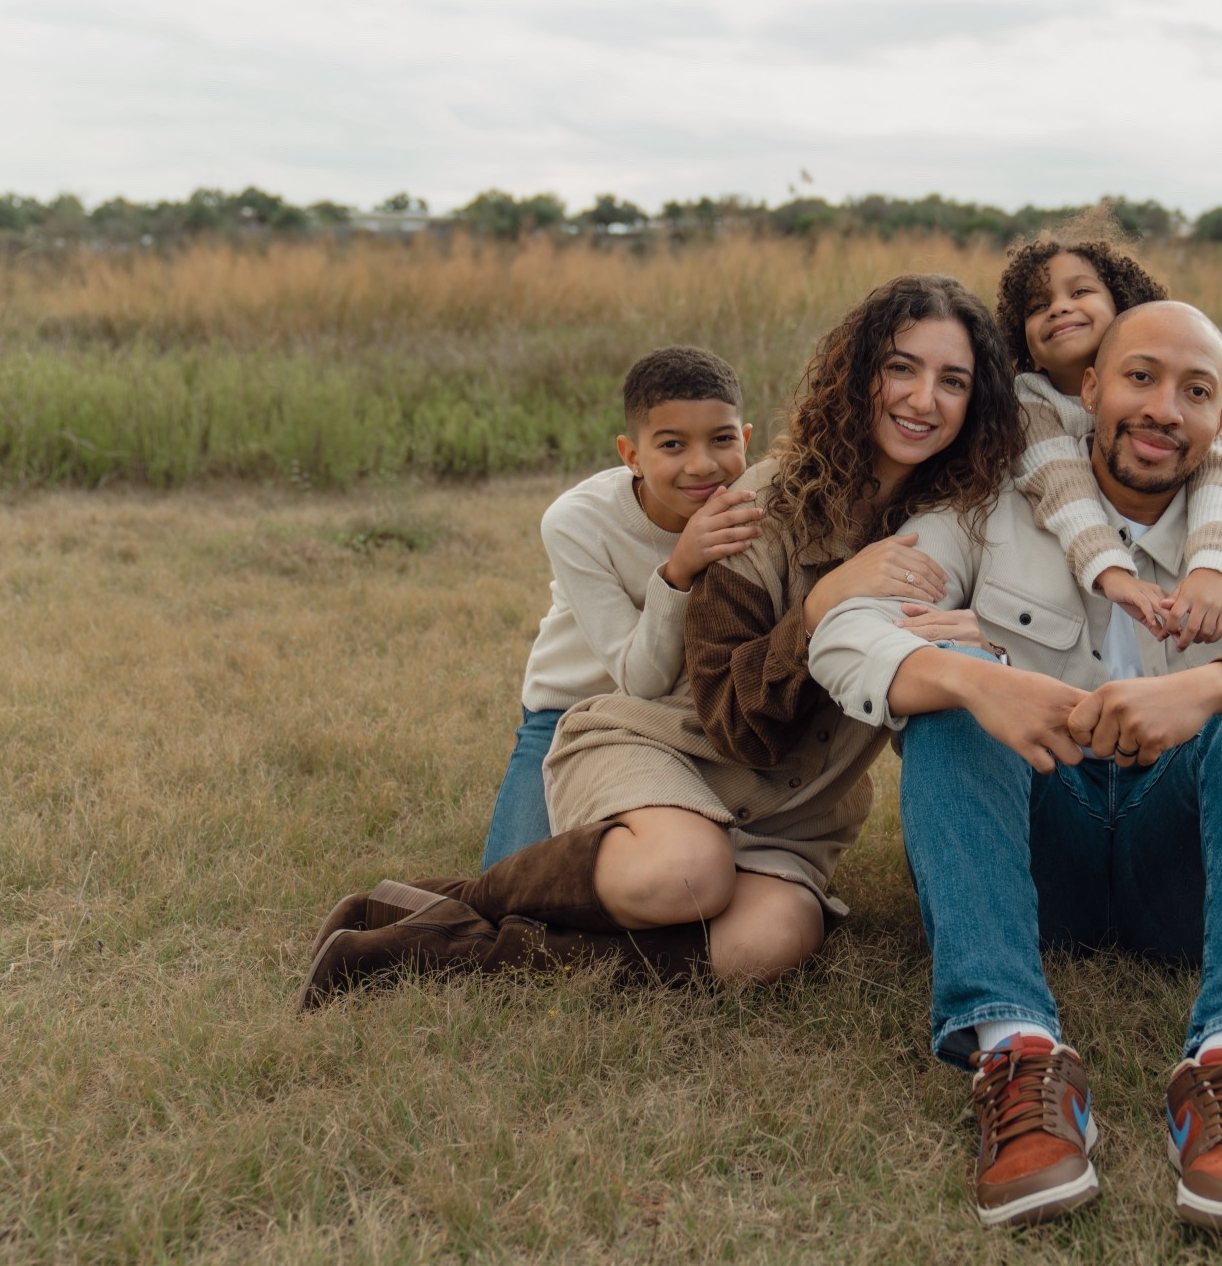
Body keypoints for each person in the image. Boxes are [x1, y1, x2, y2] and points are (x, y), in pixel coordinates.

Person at [808, 301, 1222, 1244]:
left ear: (1220, 418)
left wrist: (1218, 684)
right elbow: (847, 633)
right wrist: (972, 678)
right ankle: (1015, 1054)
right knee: (951, 693)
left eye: (1194, 391)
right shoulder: (987, 512)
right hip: (1034, 858)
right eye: (1140, 378)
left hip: (1191, 876)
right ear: (1089, 389)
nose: (1164, 407)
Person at [298, 273, 1021, 1004]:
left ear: (978, 401)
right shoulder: (758, 504)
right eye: (900, 368)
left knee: (768, 943)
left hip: (796, 806)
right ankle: (448, 911)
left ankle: (436, 936)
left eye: (952, 381)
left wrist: (984, 640)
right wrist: (821, 607)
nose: (922, 399)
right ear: (859, 374)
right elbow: (732, 716)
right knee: (685, 875)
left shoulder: (972, 529)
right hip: (676, 748)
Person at [480, 345, 761, 869]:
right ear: (631, 455)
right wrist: (679, 568)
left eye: (722, 439)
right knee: (516, 879)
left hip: (685, 719)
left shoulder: (753, 509)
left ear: (745, 440)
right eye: (672, 444)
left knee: (682, 873)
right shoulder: (577, 522)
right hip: (571, 712)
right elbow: (640, 679)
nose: (702, 464)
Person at [1000, 218, 1222, 649]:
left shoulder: (1185, 407)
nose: (1058, 308)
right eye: (1038, 305)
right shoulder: (1029, 403)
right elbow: (1063, 486)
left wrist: (1211, 566)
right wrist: (1112, 570)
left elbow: (1221, 473)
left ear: (1124, 308)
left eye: (1079, 292)